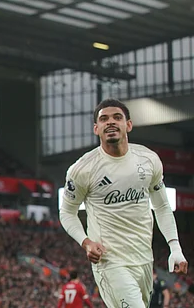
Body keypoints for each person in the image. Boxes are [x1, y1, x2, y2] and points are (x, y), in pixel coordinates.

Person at [59, 98, 188, 308]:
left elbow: (162, 206)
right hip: (110, 262)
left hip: (144, 260)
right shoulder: (82, 169)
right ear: (96, 128)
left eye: (117, 117)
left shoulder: (148, 160)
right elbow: (67, 212)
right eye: (104, 119)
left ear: (128, 124)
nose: (110, 122)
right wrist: (86, 242)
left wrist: (175, 247)